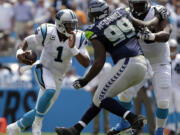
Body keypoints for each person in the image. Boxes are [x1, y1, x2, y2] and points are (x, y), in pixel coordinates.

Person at [55, 0, 163, 135]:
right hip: (142, 64)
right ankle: (76, 129)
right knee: (100, 98)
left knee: (100, 97)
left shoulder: (93, 30)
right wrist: (157, 17)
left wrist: (85, 80)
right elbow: (144, 25)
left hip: (127, 62)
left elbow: (99, 61)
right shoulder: (122, 12)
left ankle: (133, 118)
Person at [6, 9, 90, 135]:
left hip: (59, 75)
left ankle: (16, 127)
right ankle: (37, 124)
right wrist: (19, 53)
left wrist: (73, 49)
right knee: (49, 91)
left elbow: (86, 63)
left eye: (73, 24)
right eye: (69, 24)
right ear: (60, 24)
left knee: (41, 109)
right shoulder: (47, 32)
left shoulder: (78, 37)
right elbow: (27, 41)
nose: (72, 27)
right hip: (44, 68)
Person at [108, 0, 172, 135]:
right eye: (135, 4)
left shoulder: (158, 10)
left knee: (163, 101)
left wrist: (153, 36)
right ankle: (124, 123)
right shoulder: (125, 14)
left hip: (160, 60)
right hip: (141, 60)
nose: (138, 7)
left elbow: (167, 33)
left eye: (140, 4)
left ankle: (159, 131)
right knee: (124, 93)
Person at [84, 62, 112, 134]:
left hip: (105, 90)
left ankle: (107, 129)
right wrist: (89, 88)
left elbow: (112, 77)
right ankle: (96, 130)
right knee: (95, 111)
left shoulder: (108, 66)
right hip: (95, 90)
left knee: (106, 111)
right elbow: (84, 79)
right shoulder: (91, 67)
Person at [165, 39, 180, 135]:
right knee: (169, 108)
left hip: (178, 87)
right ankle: (171, 129)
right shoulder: (165, 58)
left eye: (174, 48)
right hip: (168, 87)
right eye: (171, 48)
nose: (172, 49)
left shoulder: (179, 58)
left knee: (179, 108)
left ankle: (179, 128)